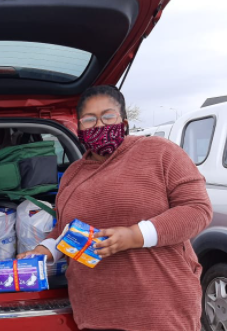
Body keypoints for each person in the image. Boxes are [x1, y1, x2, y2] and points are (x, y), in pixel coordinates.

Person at [18, 85, 212, 331]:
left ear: (124, 122)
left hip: (158, 308)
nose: (99, 125)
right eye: (89, 120)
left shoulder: (160, 153)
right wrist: (44, 250)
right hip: (94, 310)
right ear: (79, 127)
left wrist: (134, 236)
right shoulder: (73, 174)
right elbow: (64, 228)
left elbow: (196, 209)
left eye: (108, 116)